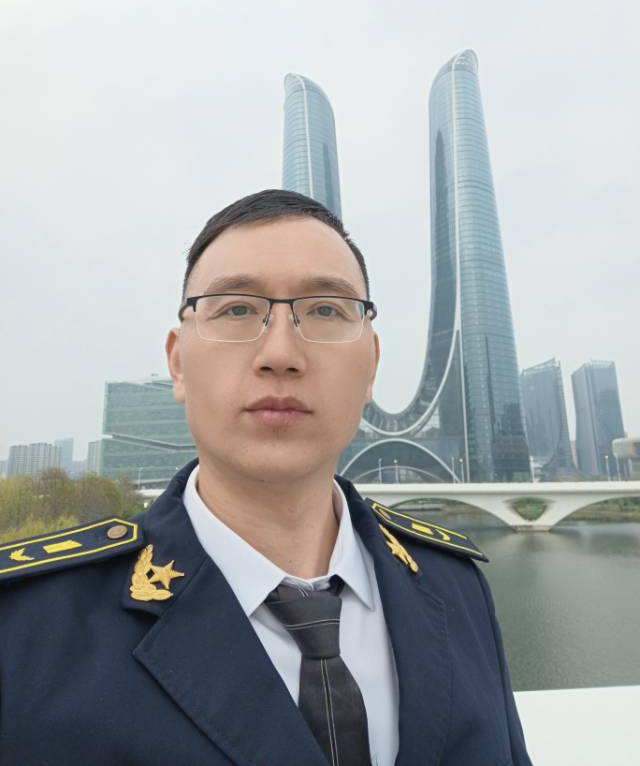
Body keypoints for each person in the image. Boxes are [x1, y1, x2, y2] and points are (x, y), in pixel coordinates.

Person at [0, 189, 532, 766]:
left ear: (371, 365)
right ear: (177, 362)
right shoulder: (28, 630)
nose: (280, 353)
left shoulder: (456, 589)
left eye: (326, 311)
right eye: (236, 309)